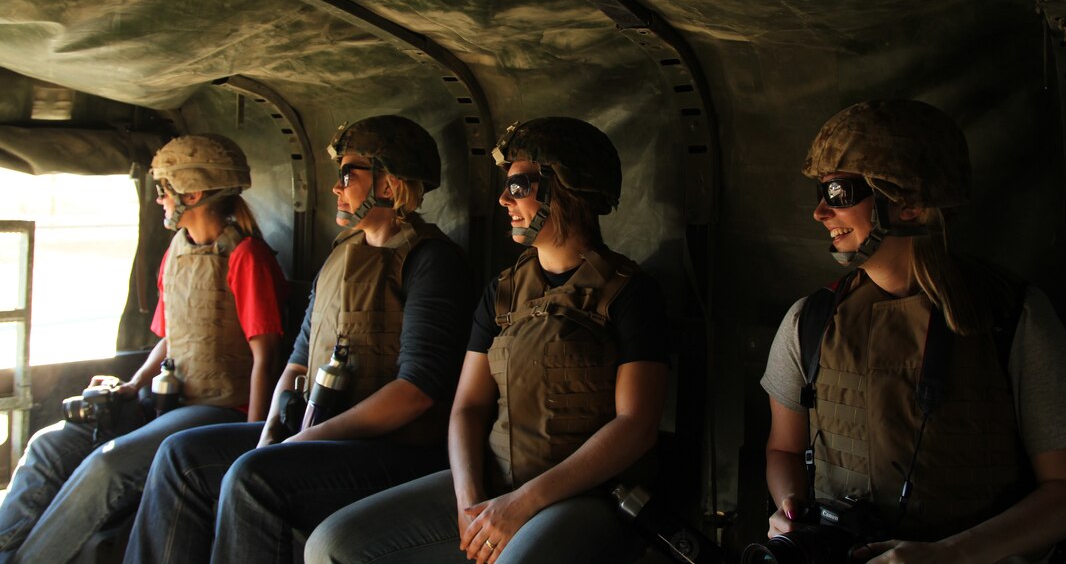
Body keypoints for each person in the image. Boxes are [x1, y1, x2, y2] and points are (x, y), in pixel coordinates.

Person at [305, 116, 670, 564]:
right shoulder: (503, 291)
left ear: (568, 189)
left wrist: (523, 503)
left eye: (519, 186)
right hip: (493, 487)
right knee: (333, 545)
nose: (503, 199)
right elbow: (468, 407)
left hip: (585, 497)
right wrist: (468, 501)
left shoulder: (630, 293)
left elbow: (635, 426)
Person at [124, 115, 475, 563]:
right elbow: (299, 359)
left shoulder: (432, 263)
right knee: (181, 455)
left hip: (394, 449)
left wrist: (302, 442)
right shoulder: (341, 254)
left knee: (256, 478)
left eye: (349, 175)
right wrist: (271, 431)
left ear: (389, 183)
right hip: (317, 430)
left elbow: (416, 392)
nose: (337, 187)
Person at [758, 99, 1066, 562]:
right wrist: (789, 508)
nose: (820, 213)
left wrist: (952, 554)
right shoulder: (809, 321)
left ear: (908, 203)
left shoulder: (1015, 319)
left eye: (838, 193)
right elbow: (784, 450)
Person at [0, 134, 286, 564]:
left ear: (193, 194)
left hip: (218, 408)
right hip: (168, 396)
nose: (160, 201)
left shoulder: (247, 257)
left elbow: (266, 355)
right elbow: (171, 336)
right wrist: (133, 385)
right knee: (50, 444)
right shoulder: (177, 250)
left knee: (108, 466)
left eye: (164, 190)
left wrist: (252, 438)